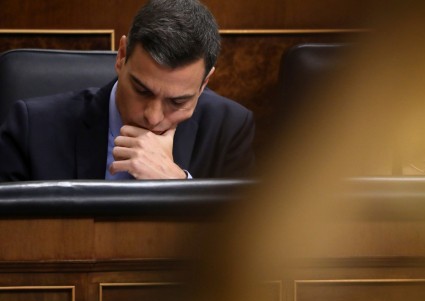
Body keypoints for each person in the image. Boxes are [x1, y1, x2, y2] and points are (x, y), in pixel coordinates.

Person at [0, 0, 254, 181]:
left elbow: (244, 241)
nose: (153, 117)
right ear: (122, 56)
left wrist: (178, 186)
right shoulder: (32, 127)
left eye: (177, 102)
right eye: (142, 90)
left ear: (204, 83)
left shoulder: (228, 127)